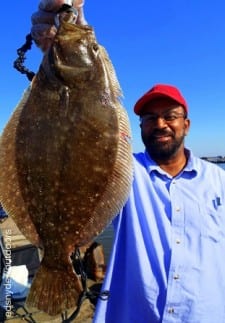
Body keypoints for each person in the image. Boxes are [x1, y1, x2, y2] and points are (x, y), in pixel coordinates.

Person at [31, 2, 225, 322]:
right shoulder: (124, 172)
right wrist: (60, 18)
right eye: (150, 118)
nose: (160, 124)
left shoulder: (218, 182)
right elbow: (74, 147)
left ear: (186, 125)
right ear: (139, 127)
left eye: (170, 116)